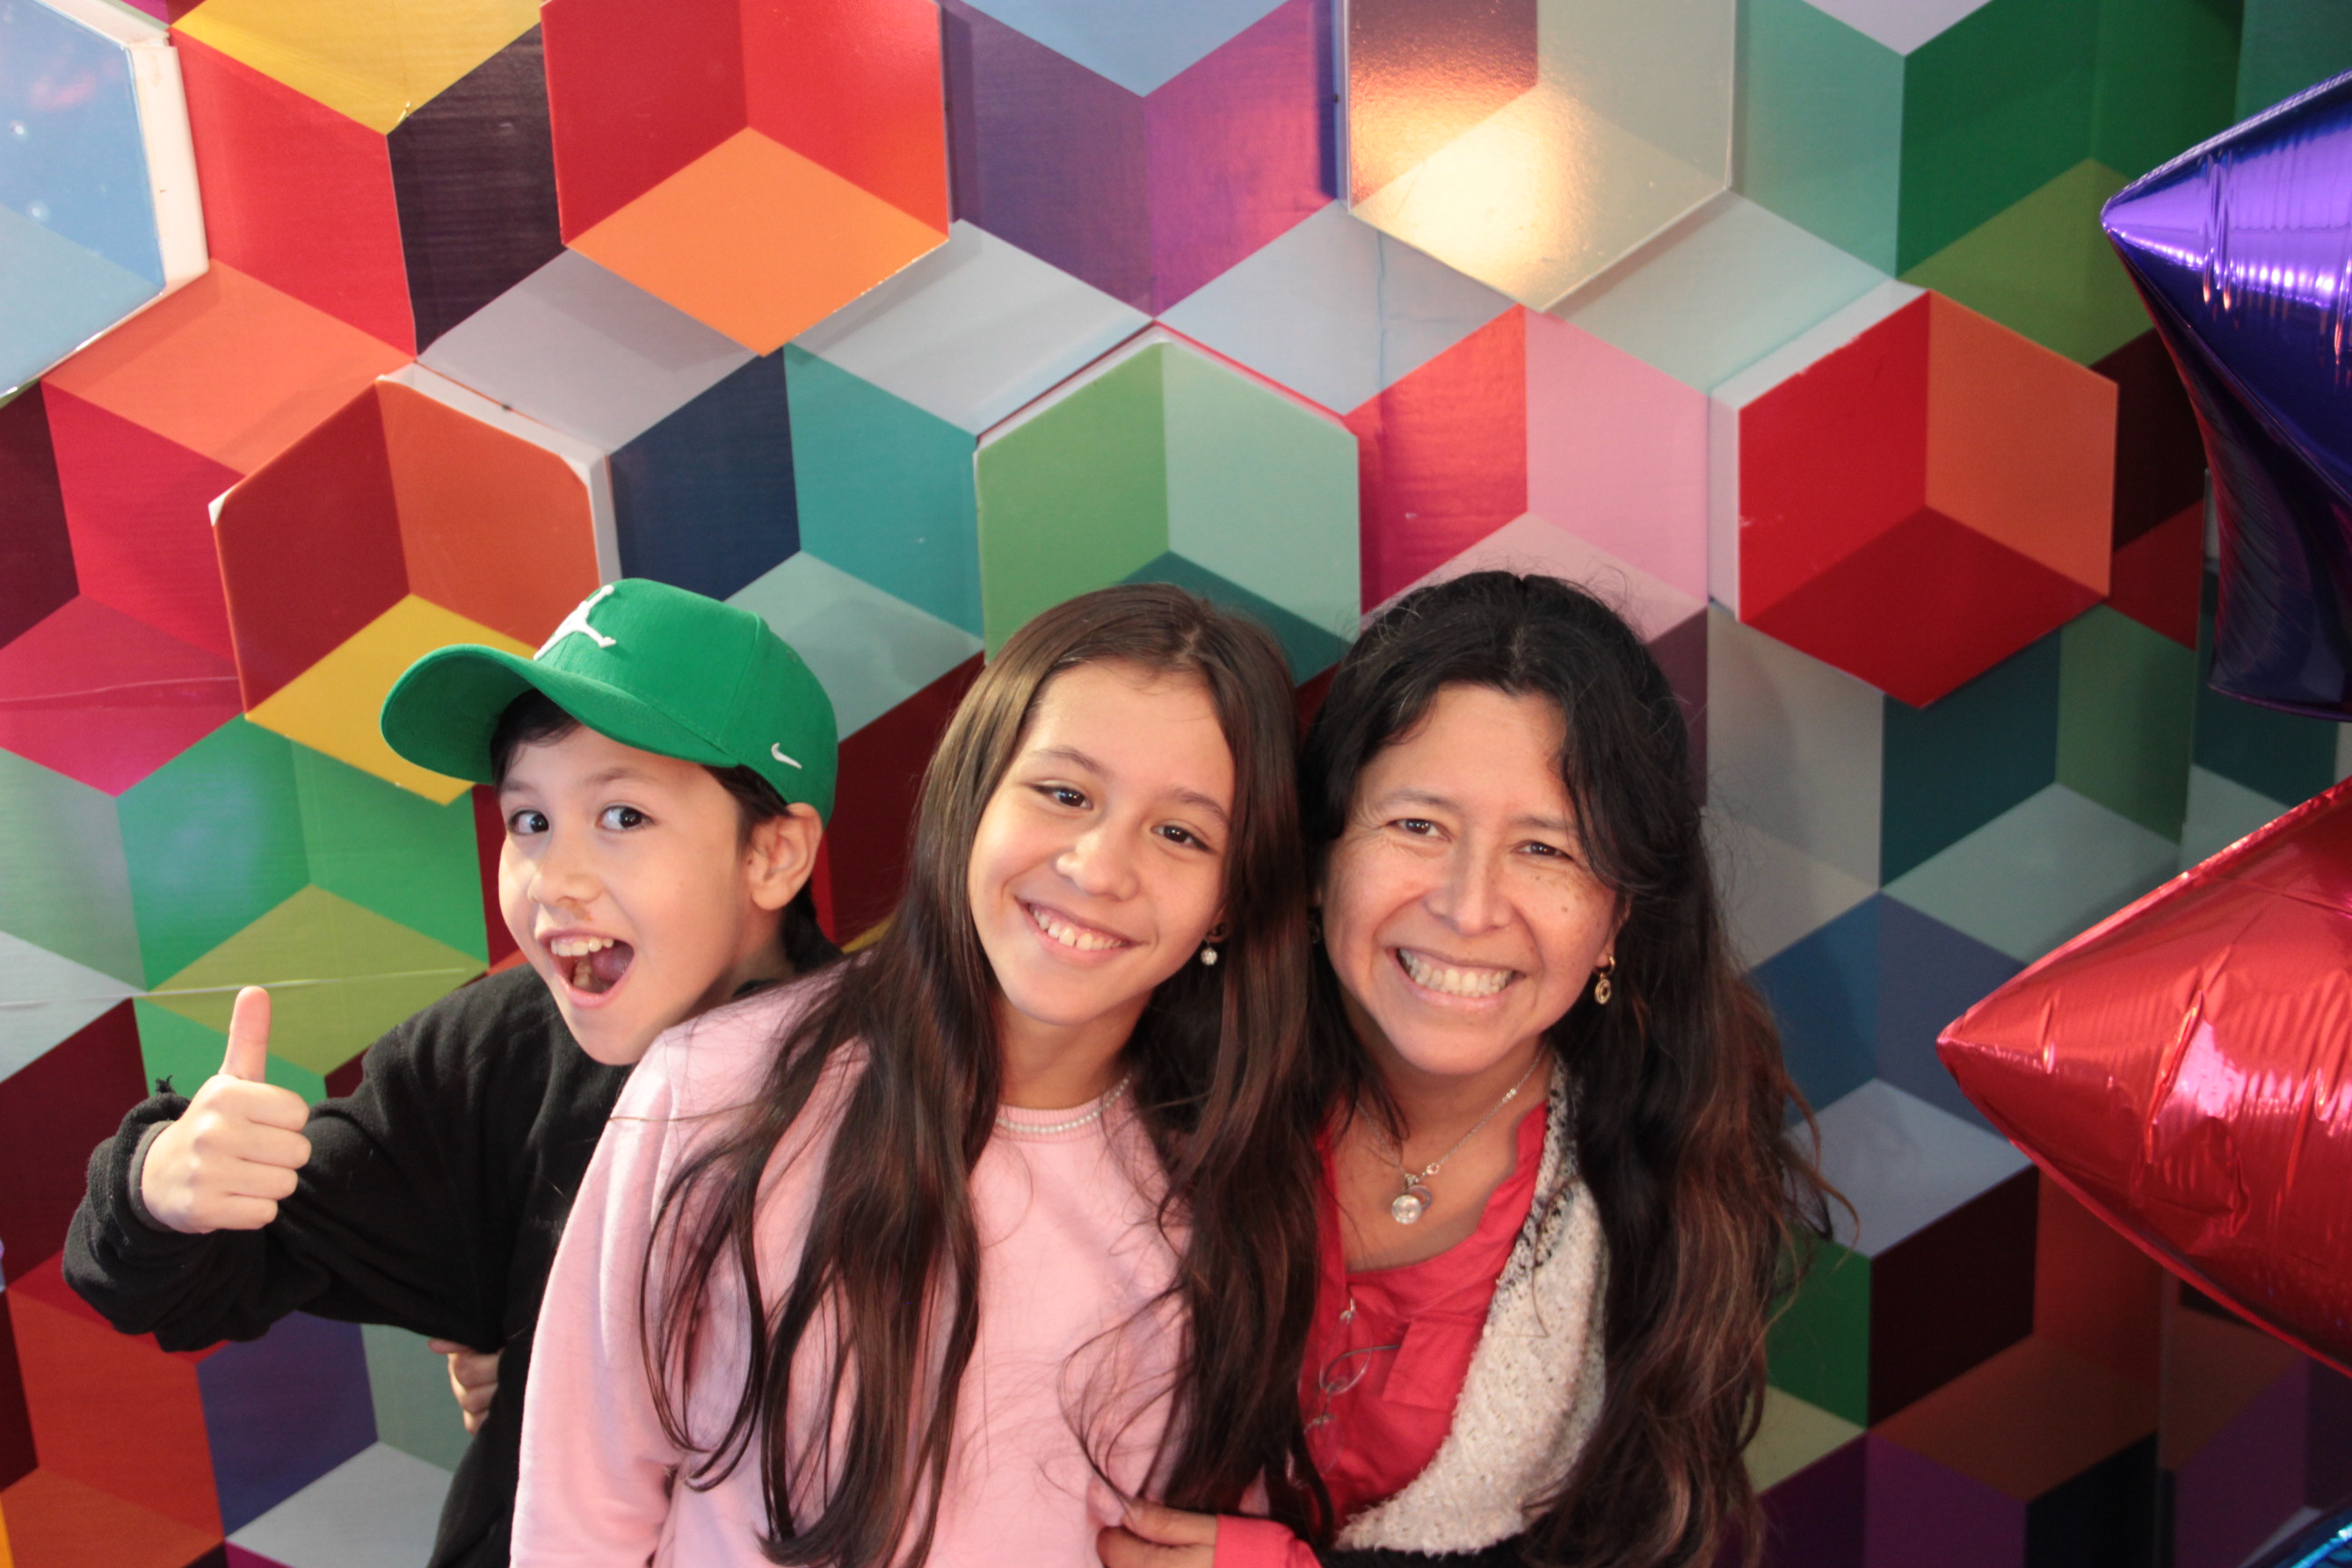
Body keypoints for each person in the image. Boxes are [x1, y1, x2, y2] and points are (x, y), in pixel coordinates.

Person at [513, 583, 1328, 1567]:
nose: (1100, 867)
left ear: (1232, 898)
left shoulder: (1233, 1189)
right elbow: (581, 1510)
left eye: (1181, 834)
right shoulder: (714, 1087)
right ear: (972, 796)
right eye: (1065, 794)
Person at [64, 579, 841, 1568]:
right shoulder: (491, 1060)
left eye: (623, 816)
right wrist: (163, 1189)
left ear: (773, 854)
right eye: (528, 821)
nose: (555, 879)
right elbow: (183, 1286)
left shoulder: (905, 1083)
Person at [1101, 572, 1835, 1568]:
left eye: (1546, 849)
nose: (1468, 905)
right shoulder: (1146, 1088)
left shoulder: (1668, 1182)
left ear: (1619, 916)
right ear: (1320, 856)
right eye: (1418, 826)